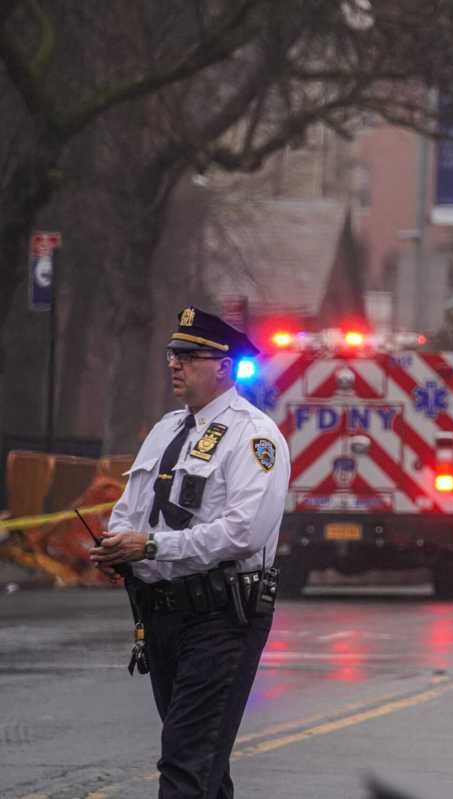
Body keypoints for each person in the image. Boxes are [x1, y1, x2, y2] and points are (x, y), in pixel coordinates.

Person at [90, 306, 290, 798]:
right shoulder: (166, 430)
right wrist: (119, 546)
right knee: (202, 766)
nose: (175, 364)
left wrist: (154, 545)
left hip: (222, 616)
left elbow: (244, 532)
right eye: (172, 353)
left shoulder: (254, 437)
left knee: (185, 763)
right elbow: (131, 506)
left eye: (189, 355)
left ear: (224, 366)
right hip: (162, 617)